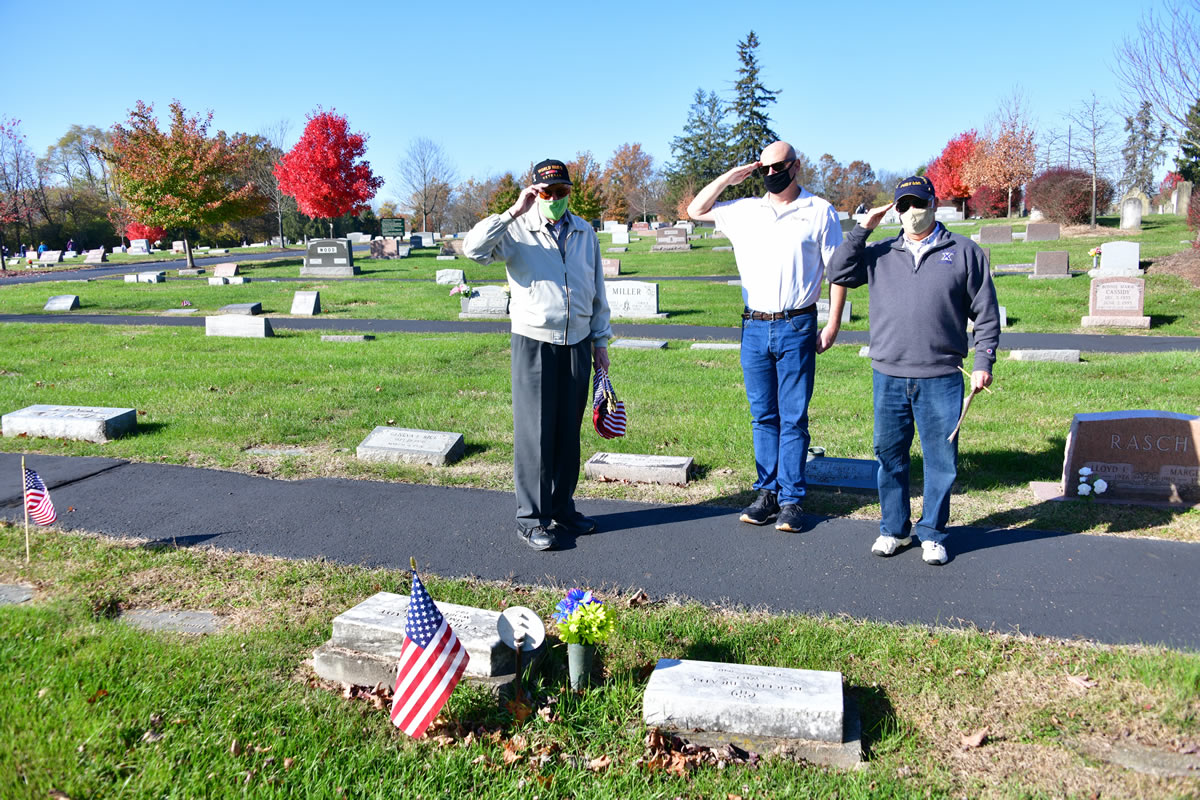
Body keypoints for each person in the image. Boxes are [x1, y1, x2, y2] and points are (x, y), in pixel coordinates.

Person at [827, 175, 1000, 565]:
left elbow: (985, 314)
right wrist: (862, 230)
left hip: (941, 376)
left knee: (941, 460)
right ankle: (894, 529)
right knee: (889, 455)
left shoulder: (964, 251)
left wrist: (983, 361)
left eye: (917, 203)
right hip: (888, 374)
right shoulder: (880, 253)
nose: (911, 213)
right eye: (902, 206)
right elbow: (837, 272)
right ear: (895, 211)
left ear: (933, 203)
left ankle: (934, 533)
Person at [687, 141, 846, 533]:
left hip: (796, 324)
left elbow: (837, 272)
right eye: (766, 168)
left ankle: (791, 499)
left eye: (780, 167)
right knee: (763, 416)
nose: (773, 174)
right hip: (754, 326)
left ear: (796, 167)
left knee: (793, 416)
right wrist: (730, 176)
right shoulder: (744, 211)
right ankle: (767, 493)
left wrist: (833, 324)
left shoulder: (819, 211)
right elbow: (695, 210)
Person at [464, 159, 613, 552]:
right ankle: (532, 519)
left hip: (578, 341)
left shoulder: (585, 232)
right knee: (536, 434)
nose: (554, 199)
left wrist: (600, 341)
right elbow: (473, 249)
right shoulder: (516, 229)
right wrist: (514, 210)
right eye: (546, 192)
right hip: (534, 341)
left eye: (561, 192)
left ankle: (563, 509)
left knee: (567, 432)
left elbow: (596, 289)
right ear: (534, 192)